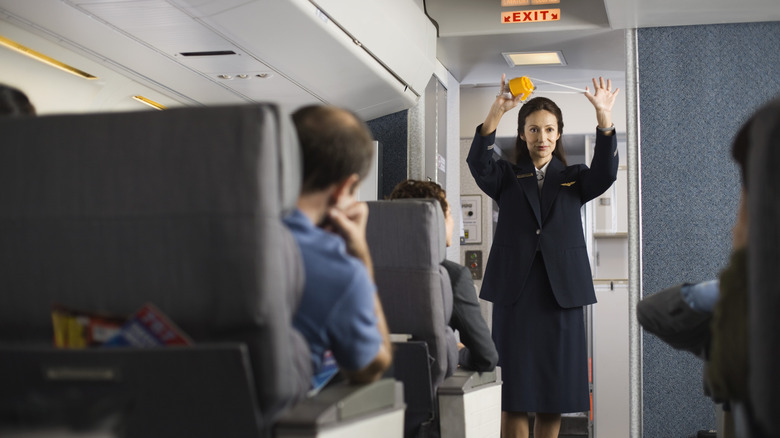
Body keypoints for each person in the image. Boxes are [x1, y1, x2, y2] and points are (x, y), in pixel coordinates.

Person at [466, 75, 620, 438]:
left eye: (549, 130)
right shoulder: (505, 175)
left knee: (555, 394)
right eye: (533, 130)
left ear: (559, 134)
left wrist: (604, 118)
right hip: (515, 294)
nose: (542, 138)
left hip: (560, 295)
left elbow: (607, 172)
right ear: (523, 134)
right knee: (514, 395)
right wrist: (497, 111)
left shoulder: (575, 178)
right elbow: (478, 164)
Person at [286, 104, 393, 385]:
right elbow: (370, 368)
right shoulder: (338, 271)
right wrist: (361, 260)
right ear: (345, 187)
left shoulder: (195, 226)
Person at [388, 179, 499, 372]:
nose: (453, 222)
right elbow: (486, 357)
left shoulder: (364, 270)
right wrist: (458, 352)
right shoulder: (452, 276)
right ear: (435, 222)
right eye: (449, 214)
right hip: (427, 393)